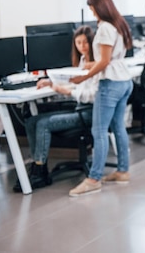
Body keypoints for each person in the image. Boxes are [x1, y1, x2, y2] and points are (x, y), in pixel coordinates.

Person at [13, 26, 100, 193]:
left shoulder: (95, 65)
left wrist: (68, 92)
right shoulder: (82, 61)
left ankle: (39, 172)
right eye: (78, 42)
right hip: (79, 109)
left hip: (89, 113)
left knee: (44, 123)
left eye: (85, 42)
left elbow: (92, 95)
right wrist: (51, 83)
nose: (82, 46)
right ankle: (40, 168)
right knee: (31, 121)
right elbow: (75, 82)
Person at [68, 0, 134, 197]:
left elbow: (105, 61)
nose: (92, 12)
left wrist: (83, 77)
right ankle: (122, 171)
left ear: (99, 7)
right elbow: (110, 58)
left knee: (99, 131)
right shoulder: (119, 24)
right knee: (118, 127)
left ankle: (94, 178)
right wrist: (90, 64)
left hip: (111, 84)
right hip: (124, 80)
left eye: (92, 8)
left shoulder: (105, 27)